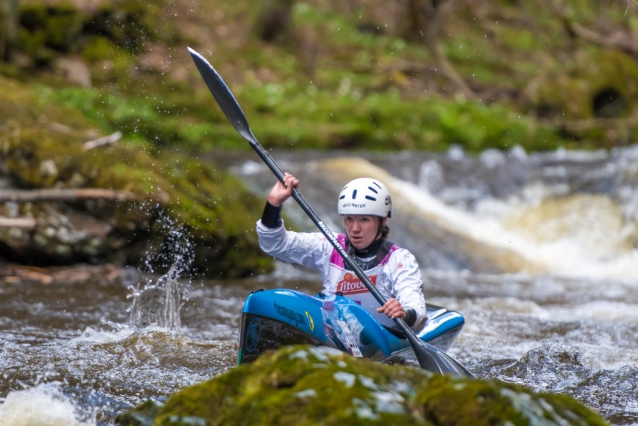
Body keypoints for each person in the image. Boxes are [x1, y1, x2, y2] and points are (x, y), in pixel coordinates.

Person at [256, 173, 427, 331]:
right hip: (335, 331)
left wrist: (404, 313)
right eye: (349, 219)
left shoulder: (399, 259)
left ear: (382, 220)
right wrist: (273, 204)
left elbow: (416, 310)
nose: (354, 229)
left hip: (383, 338)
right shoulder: (328, 246)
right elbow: (274, 244)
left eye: (364, 220)